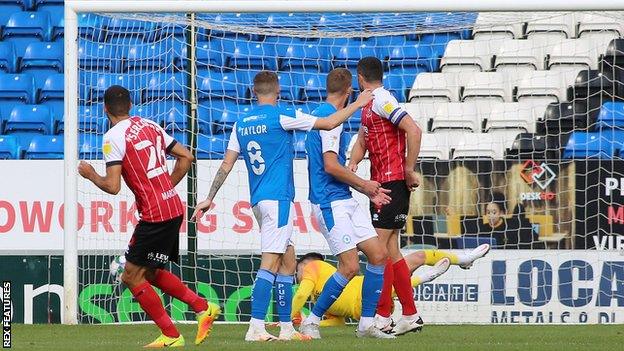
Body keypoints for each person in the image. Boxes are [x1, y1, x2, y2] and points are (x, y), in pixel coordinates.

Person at [191, 71, 373, 341]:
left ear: (254, 92)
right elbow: (329, 121)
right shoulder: (282, 116)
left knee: (288, 261)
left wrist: (209, 197)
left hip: (257, 201)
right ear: (277, 91)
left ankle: (287, 328)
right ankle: (255, 326)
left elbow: (226, 164)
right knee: (270, 263)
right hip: (278, 200)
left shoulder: (240, 124)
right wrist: (358, 104)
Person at [78, 85, 219, 348]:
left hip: (155, 215)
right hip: (173, 207)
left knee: (131, 276)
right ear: (130, 106)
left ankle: (172, 335)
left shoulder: (112, 137)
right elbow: (186, 156)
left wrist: (90, 174)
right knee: (151, 272)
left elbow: (112, 186)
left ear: (105, 109)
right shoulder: (149, 124)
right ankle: (203, 307)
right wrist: (164, 187)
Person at [298, 68, 393, 339]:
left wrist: (362, 190)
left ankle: (366, 324)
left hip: (343, 199)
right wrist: (365, 186)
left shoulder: (322, 114)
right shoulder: (330, 119)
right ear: (350, 90)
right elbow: (330, 166)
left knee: (378, 255)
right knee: (350, 266)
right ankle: (311, 320)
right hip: (329, 202)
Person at [348, 57, 424, 335]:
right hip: (381, 183)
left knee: (377, 251)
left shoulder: (383, 99)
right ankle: (410, 314)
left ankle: (381, 316)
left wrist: (408, 169)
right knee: (390, 250)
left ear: (360, 76)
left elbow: (413, 130)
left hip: (391, 183)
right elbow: (363, 139)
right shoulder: (367, 103)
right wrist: (354, 162)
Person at [292, 244, 489, 326]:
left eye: (297, 271)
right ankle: (428, 276)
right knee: (403, 269)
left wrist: (290, 318)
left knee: (415, 258)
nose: (298, 275)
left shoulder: (314, 267)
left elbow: (300, 295)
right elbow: (336, 323)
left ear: (306, 264)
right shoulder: (323, 296)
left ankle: (460, 259)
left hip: (366, 297)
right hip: (367, 306)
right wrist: (307, 322)